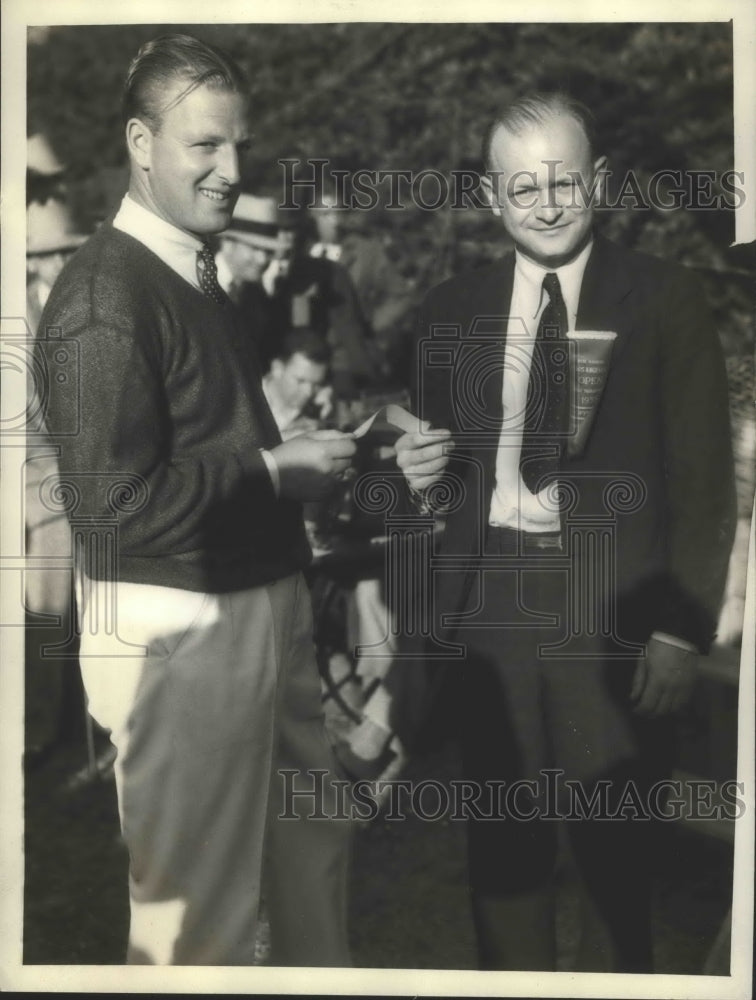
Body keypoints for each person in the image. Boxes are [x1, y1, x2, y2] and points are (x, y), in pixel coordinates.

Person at [389, 92, 736, 971]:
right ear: (491, 197)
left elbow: (703, 480)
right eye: (521, 186)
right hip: (490, 612)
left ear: (602, 183)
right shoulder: (450, 306)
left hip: (614, 614)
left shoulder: (664, 298)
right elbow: (437, 475)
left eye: (565, 182)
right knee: (504, 856)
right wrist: (415, 477)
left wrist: (680, 627)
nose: (545, 203)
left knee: (615, 853)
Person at [37, 33, 356, 967]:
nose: (231, 170)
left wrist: (357, 462)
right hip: (180, 632)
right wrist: (273, 470)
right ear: (141, 142)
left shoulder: (193, 272)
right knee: (197, 926)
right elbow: (106, 508)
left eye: (240, 145)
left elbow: (220, 446)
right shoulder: (105, 297)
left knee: (312, 859)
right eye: (204, 146)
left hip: (262, 608)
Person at [310, 189, 415, 381]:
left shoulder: (366, 252)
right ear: (312, 217)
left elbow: (401, 295)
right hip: (303, 361)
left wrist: (370, 326)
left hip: (348, 362)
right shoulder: (299, 252)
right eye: (325, 214)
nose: (334, 221)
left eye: (337, 213)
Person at [261, 328, 333, 440]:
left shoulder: (317, 399)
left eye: (316, 384)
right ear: (277, 368)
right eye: (301, 381)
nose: (309, 392)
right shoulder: (248, 402)